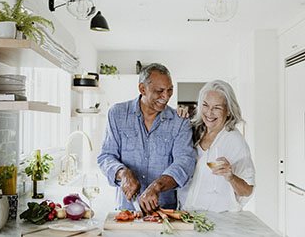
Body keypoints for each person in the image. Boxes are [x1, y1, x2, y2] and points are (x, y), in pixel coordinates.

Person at [97, 63, 196, 213]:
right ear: (142, 89)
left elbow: (185, 162)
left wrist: (157, 186)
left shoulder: (180, 121)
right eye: (160, 91)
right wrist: (122, 173)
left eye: (170, 90)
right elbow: (106, 156)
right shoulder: (117, 114)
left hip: (165, 211)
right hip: (127, 210)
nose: (166, 97)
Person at [177, 80, 255, 212]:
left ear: (229, 111)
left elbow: (247, 190)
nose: (209, 112)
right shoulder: (193, 131)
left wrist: (231, 177)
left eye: (217, 108)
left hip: (218, 220)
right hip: (185, 214)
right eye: (205, 105)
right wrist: (176, 117)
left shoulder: (235, 141)